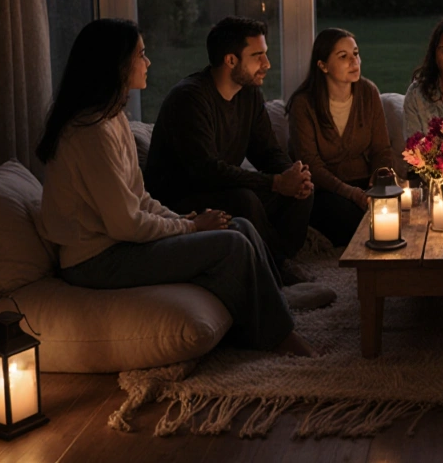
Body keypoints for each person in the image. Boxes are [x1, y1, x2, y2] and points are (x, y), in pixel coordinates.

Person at [37, 19, 319, 356]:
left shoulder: (112, 119)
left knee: (239, 225)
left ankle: (274, 301)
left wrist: (182, 220)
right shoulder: (90, 133)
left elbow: (140, 198)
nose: (148, 62)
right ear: (116, 63)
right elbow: (125, 223)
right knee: (231, 243)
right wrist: (189, 226)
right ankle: (281, 338)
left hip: (122, 243)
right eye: (141, 55)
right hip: (97, 259)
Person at [144, 18, 315, 284]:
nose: (267, 64)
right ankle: (273, 271)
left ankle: (277, 261)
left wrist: (293, 175)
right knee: (245, 200)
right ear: (231, 60)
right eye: (258, 56)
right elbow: (206, 171)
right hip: (182, 199)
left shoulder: (248, 94)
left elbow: (267, 151)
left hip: (220, 186)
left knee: (302, 190)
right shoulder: (189, 99)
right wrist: (276, 183)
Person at [285, 28, 394, 246]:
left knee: (394, 216)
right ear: (322, 65)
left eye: (356, 53)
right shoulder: (303, 104)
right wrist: (352, 194)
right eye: (343, 56)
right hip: (325, 190)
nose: (354, 61)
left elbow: (381, 149)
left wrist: (379, 177)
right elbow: (311, 165)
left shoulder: (368, 92)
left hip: (364, 183)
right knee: (356, 222)